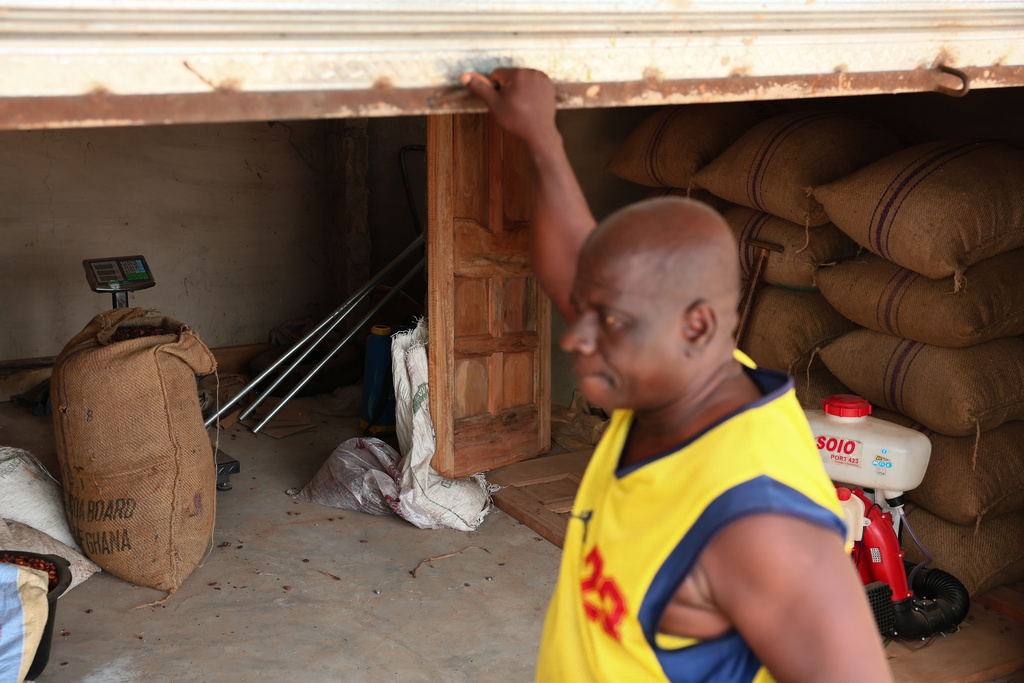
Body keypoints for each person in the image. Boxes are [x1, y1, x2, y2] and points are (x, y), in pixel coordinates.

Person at [459, 68, 892, 683]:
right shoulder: (678, 381)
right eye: (586, 309)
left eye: (610, 320)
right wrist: (540, 138)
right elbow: (576, 270)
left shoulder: (758, 525)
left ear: (695, 326)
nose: (575, 336)